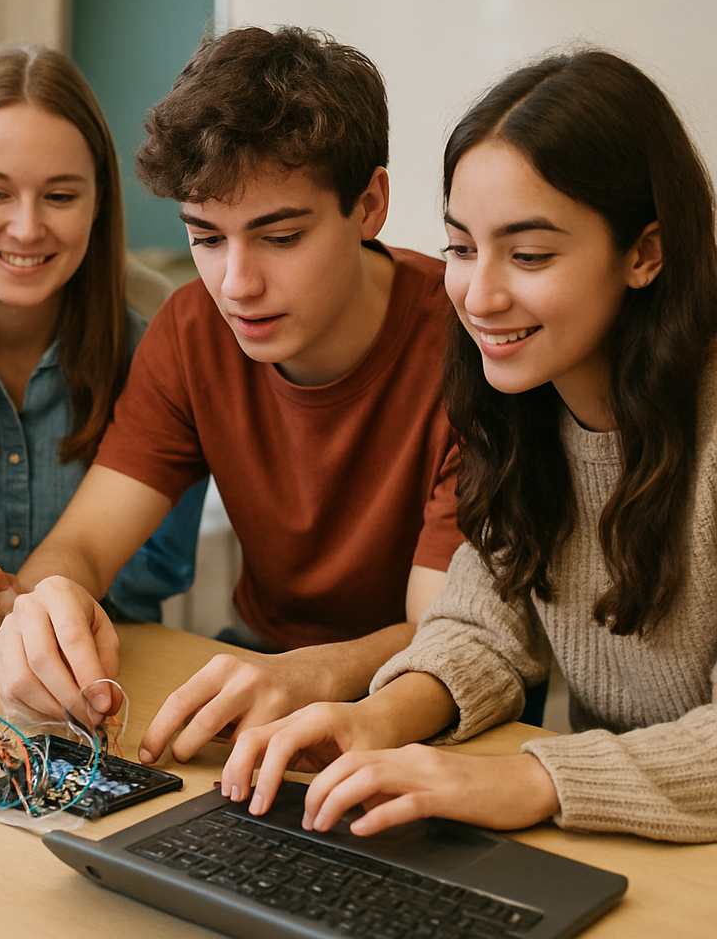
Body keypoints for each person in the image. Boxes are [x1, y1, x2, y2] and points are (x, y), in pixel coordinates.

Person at [221, 50, 717, 844]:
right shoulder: (521, 399)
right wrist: (373, 721)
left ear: (644, 254)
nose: (479, 297)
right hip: (627, 840)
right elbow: (482, 628)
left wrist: (531, 776)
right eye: (460, 247)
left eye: (529, 255)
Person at [0, 26, 464, 762]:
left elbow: (445, 636)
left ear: (369, 205)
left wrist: (317, 672)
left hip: (442, 703)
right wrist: (45, 607)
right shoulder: (191, 330)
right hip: (262, 667)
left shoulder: (469, 345)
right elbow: (78, 547)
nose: (236, 285)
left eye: (279, 237)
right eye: (207, 238)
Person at [0, 44, 205, 668]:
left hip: (115, 665)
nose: (27, 228)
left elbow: (161, 560)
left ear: (98, 199)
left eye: (60, 197)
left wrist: (36, 612)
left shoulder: (162, 339)